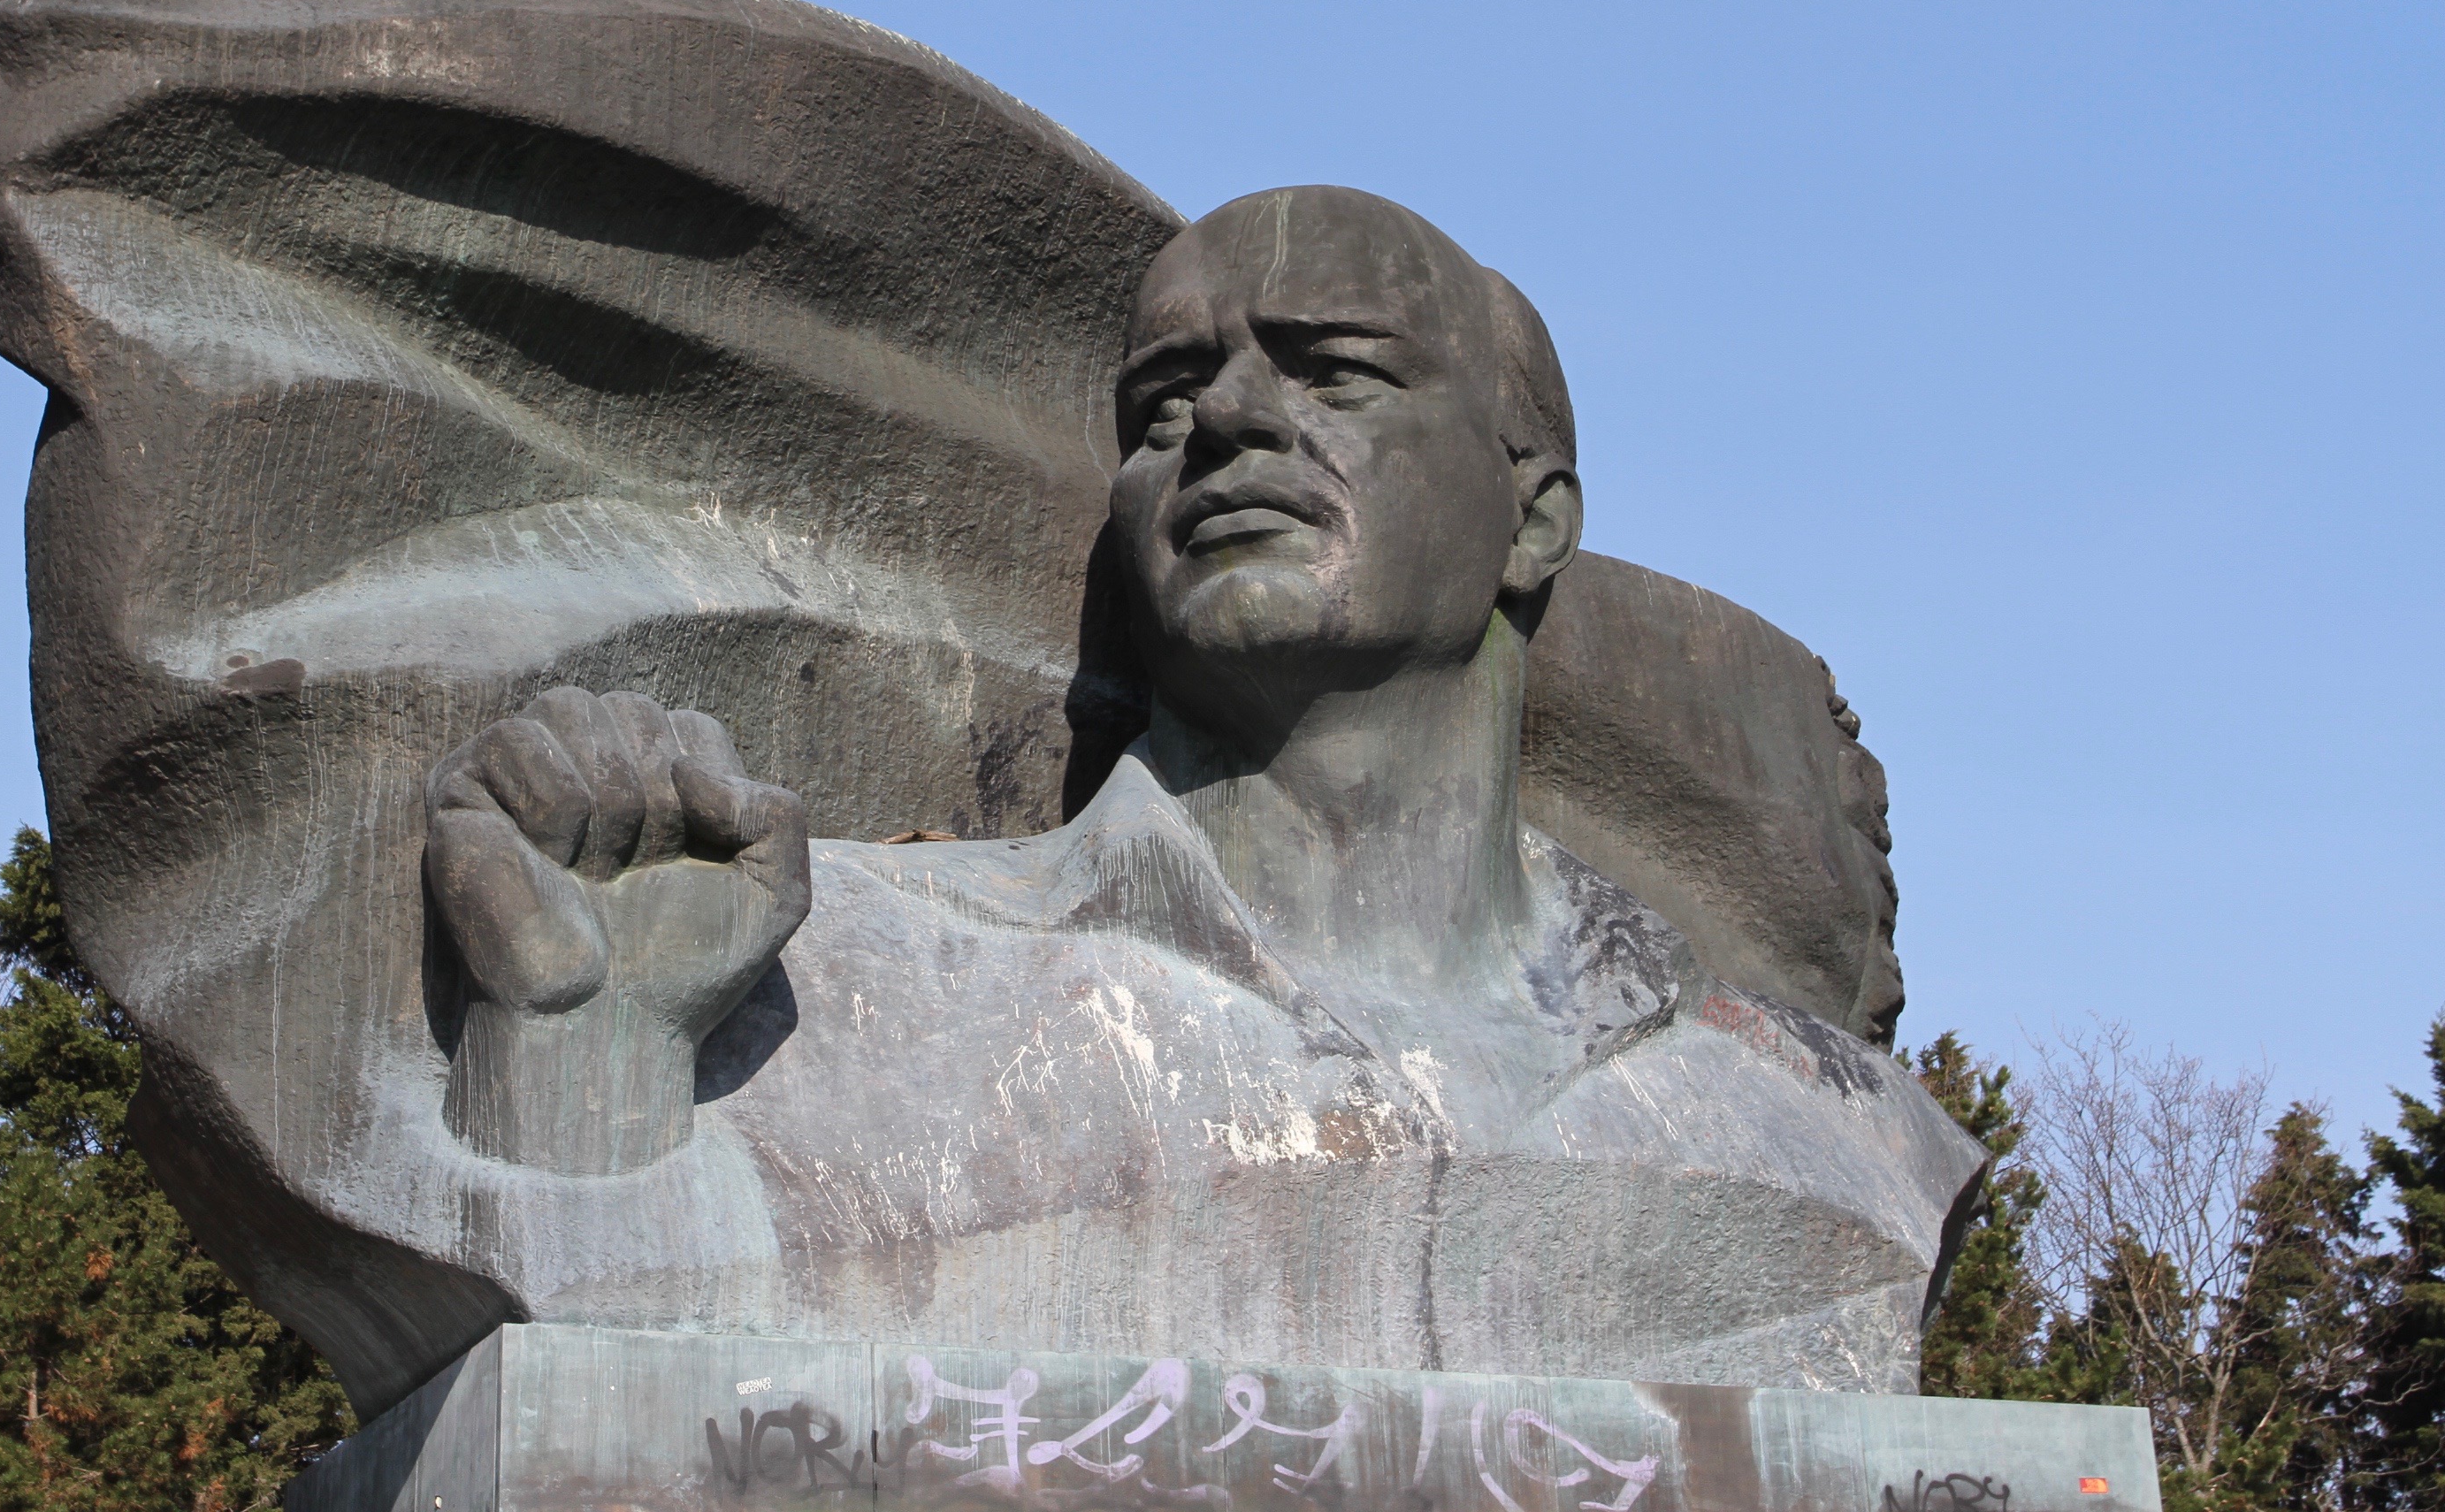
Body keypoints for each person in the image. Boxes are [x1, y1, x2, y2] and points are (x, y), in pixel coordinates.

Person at [420, 187, 1982, 1393]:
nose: (1226, 422)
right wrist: (588, 1058)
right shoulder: (834, 982)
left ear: (1534, 521)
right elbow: (614, 1413)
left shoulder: (1809, 1122)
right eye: (1162, 408)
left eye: (1337, 374)